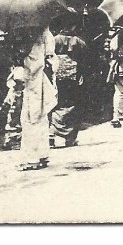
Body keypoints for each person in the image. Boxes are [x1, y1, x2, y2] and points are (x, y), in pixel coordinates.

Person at [17, 27, 58, 171]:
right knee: (40, 117)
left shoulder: (24, 35)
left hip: (33, 78)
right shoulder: (46, 33)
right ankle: (42, 155)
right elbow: (51, 56)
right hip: (40, 77)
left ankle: (32, 158)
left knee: (30, 119)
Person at [50, 15, 89, 148]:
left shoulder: (54, 40)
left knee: (56, 103)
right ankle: (69, 137)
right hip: (73, 75)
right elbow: (84, 61)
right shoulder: (79, 42)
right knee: (73, 104)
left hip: (57, 75)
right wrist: (82, 75)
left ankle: (52, 134)